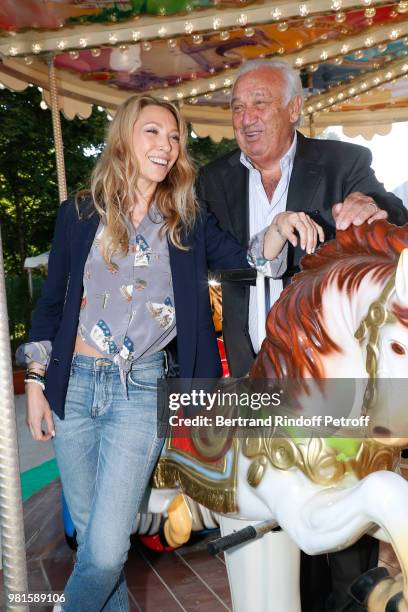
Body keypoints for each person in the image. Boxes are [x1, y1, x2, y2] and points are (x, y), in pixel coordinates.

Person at [16, 94, 324, 612]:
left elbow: (245, 260)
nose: (167, 145)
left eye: (174, 136)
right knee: (95, 541)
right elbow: (52, 303)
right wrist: (35, 383)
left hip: (140, 391)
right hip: (76, 382)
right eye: (153, 132)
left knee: (109, 548)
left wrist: (275, 230)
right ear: (125, 139)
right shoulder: (79, 213)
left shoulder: (186, 218)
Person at [197, 59, 408, 612]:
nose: (246, 117)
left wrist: (372, 207)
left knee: (343, 548)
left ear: (295, 108)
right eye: (237, 106)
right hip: (255, 376)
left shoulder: (342, 162)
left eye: (260, 103)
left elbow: (396, 220)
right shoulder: (214, 179)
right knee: (272, 526)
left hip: (328, 383)